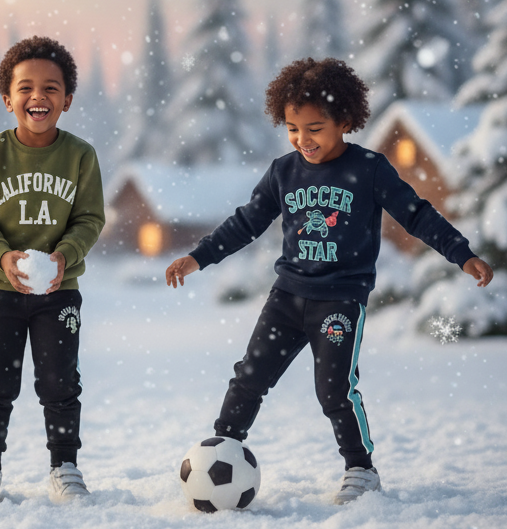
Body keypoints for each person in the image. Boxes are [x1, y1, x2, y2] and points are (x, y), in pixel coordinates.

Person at [165, 57, 493, 505]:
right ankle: (223, 451)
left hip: (340, 301)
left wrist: (462, 253)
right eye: (293, 129)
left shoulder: (370, 169)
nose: (304, 140)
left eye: (315, 128)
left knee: (335, 390)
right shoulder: (284, 171)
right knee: (248, 378)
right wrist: (198, 257)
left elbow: (416, 214)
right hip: (286, 296)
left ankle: (361, 468)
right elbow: (247, 221)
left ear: (344, 121)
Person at [0, 36, 106, 507]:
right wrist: (2, 256)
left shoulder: (80, 156)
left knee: (60, 382)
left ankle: (64, 465)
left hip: (59, 293)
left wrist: (64, 255)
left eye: (51, 88)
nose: (38, 97)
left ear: (67, 100)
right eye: (26, 88)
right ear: (8, 99)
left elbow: (89, 218)